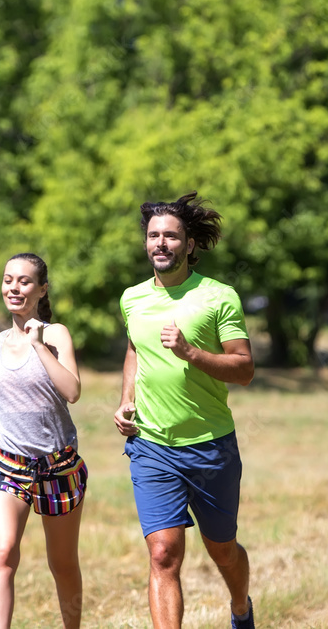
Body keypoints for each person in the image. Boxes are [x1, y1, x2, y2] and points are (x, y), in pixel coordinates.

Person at [113, 192, 256, 629]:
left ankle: (240, 608)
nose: (161, 243)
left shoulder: (218, 297)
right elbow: (135, 349)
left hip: (210, 446)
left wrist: (192, 353)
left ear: (189, 244)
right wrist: (127, 400)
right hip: (152, 446)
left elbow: (244, 368)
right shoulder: (132, 299)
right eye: (154, 235)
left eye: (171, 236)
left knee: (223, 550)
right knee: (163, 554)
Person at [0, 253, 87, 629]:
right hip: (8, 464)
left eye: (25, 281)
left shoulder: (55, 334)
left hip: (58, 465)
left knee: (62, 564)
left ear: (42, 289)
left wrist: (38, 345)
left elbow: (73, 391)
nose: (14, 287)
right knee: (2, 553)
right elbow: (3, 386)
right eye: (8, 279)